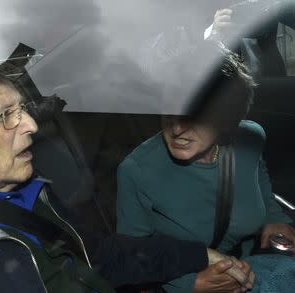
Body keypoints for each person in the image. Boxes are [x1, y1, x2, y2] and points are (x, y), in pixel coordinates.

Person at [0, 69, 250, 292]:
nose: (30, 125)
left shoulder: (30, 192)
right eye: (5, 117)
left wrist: (197, 255)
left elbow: (101, 255)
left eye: (23, 111)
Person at [117, 42, 295, 292]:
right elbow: (130, 255)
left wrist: (273, 217)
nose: (177, 129)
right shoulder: (136, 171)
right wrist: (190, 283)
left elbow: (258, 177)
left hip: (253, 268)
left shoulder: (251, 139)